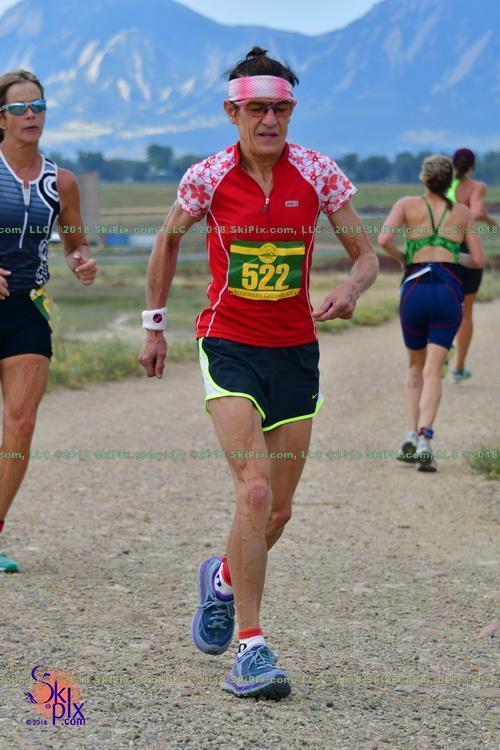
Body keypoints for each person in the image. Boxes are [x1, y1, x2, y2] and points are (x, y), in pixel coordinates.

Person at [140, 47, 378, 699]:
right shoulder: (208, 177)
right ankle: (250, 649)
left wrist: (353, 288)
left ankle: (221, 579)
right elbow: (167, 238)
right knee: (254, 492)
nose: (269, 120)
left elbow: (366, 255)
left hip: (295, 350)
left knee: (278, 511)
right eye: (257, 110)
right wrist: (154, 325)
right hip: (229, 344)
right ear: (233, 112)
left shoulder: (319, 173)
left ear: (291, 111)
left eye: (280, 109)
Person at [0, 69, 97, 572]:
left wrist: (81, 261)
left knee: (21, 422)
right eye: (18, 108)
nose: (30, 115)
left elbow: (74, 242)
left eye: (37, 106)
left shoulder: (62, 182)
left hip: (26, 308)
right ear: (1, 118)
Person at [378, 155, 485, 472]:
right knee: (434, 370)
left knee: (414, 367)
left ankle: (409, 435)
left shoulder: (406, 204)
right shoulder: (463, 213)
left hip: (415, 289)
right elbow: (478, 260)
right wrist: (452, 256)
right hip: (448, 291)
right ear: (450, 180)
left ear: (423, 178)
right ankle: (426, 441)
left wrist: (404, 258)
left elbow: (384, 239)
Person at [446, 148, 498, 382]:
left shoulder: (443, 184)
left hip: (442, 248)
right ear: (472, 166)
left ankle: (440, 351)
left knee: (443, 305)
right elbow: (476, 211)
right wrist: (488, 219)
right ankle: (458, 368)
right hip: (466, 249)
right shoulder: (477, 186)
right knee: (466, 312)